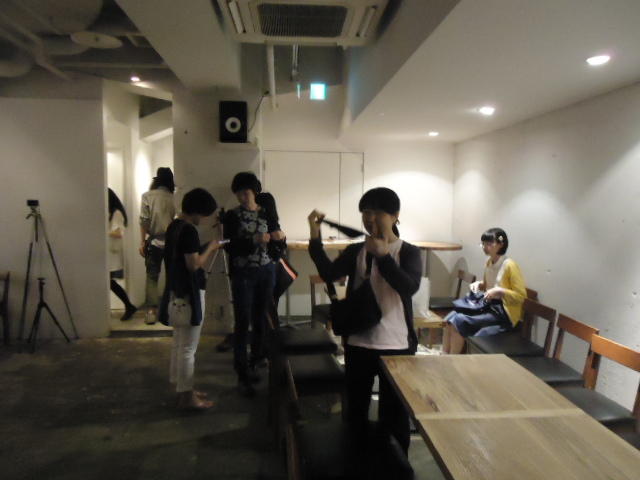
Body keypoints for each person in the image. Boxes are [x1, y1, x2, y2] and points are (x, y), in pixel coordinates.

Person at [307, 187, 422, 456]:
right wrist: (314, 234)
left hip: (397, 346)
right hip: (359, 341)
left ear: (395, 215)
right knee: (355, 412)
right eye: (365, 212)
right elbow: (329, 273)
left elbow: (408, 288)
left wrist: (383, 256)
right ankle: (357, 463)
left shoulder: (408, 252)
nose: (370, 218)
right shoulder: (357, 250)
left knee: (394, 416)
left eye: (377, 212)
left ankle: (395, 468)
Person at [158, 188, 221, 411]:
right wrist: (211, 248)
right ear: (197, 211)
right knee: (188, 349)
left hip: (176, 293)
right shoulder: (189, 231)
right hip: (189, 294)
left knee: (179, 344)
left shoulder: (174, 226)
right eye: (203, 215)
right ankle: (187, 398)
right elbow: (193, 264)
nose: (202, 220)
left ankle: (182, 389)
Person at [223, 172, 285, 397]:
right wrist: (253, 240)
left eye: (246, 193)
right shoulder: (232, 216)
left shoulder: (266, 212)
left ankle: (256, 360)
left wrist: (280, 238)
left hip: (266, 271)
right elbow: (229, 245)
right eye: (238, 194)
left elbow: (277, 238)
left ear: (255, 192)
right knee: (242, 322)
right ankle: (242, 372)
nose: (242, 198)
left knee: (261, 319)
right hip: (243, 273)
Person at [444, 227, 526, 354]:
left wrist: (500, 291)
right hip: (489, 306)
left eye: (489, 243)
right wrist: (479, 285)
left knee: (458, 321)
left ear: (501, 244)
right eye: (483, 243)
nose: (485, 247)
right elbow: (488, 285)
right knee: (450, 317)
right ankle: (444, 355)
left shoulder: (510, 265)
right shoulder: (489, 262)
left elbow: (521, 296)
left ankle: (452, 360)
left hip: (503, 314)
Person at [139, 167, 176, 324]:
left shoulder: (147, 196)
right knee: (171, 275)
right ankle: (168, 311)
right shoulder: (174, 197)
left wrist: (142, 241)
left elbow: (144, 220)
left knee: (152, 276)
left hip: (154, 242)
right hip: (172, 243)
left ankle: (151, 312)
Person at [108, 188, 137, 321]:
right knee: (109, 282)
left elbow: (119, 233)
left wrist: (103, 231)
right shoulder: (113, 212)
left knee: (109, 282)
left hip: (112, 253)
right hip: (110, 253)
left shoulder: (117, 213)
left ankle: (129, 306)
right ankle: (129, 306)